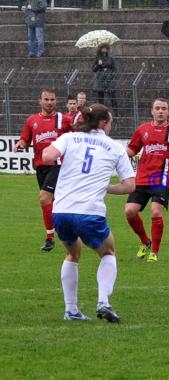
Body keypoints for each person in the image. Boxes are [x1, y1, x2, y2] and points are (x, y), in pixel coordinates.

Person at [42, 104, 135, 322]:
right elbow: (130, 185)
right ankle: (103, 302)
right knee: (108, 252)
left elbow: (47, 156)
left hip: (61, 210)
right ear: (103, 123)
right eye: (110, 122)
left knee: (72, 254)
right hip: (89, 212)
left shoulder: (70, 137)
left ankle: (71, 310)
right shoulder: (114, 147)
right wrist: (108, 188)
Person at [124, 98, 169, 262]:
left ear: (168, 112)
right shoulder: (142, 129)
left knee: (155, 211)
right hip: (142, 178)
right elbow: (131, 151)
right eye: (157, 108)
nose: (160, 111)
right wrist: (112, 154)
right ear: (151, 111)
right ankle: (145, 241)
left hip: (163, 178)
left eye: (164, 108)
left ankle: (154, 252)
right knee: (129, 211)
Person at [12, 88, 73, 252]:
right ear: (40, 101)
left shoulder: (63, 120)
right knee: (53, 202)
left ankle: (50, 238)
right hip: (40, 166)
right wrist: (20, 144)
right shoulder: (32, 121)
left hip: (58, 164)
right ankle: (66, 231)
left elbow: (76, 137)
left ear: (56, 101)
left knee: (44, 198)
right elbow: (25, 139)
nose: (49, 102)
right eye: (46, 99)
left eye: (52, 99)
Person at [92, 43, 118, 114]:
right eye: (103, 48)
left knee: (112, 97)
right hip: (100, 79)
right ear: (100, 49)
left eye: (105, 48)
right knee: (100, 98)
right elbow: (93, 69)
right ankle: (101, 113)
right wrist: (98, 65)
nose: (104, 50)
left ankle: (116, 112)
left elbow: (114, 69)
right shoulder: (97, 58)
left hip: (109, 79)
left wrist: (110, 76)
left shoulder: (110, 58)